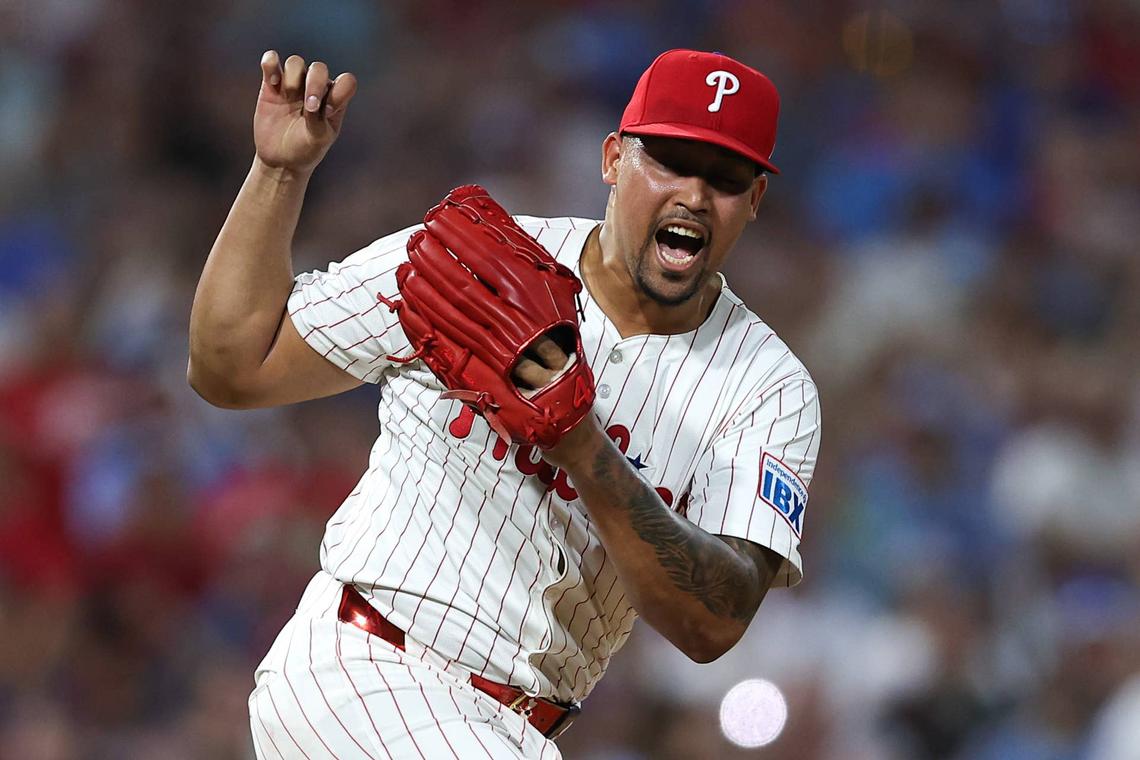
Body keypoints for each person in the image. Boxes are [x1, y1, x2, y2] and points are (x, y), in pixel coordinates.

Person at [188, 47, 821, 760]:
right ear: (613, 159)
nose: (695, 196)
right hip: (363, 664)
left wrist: (582, 445)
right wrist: (279, 173)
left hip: (520, 730)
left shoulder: (767, 388)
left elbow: (714, 623)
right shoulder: (478, 266)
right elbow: (234, 368)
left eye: (726, 178)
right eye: (670, 161)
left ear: (756, 201)